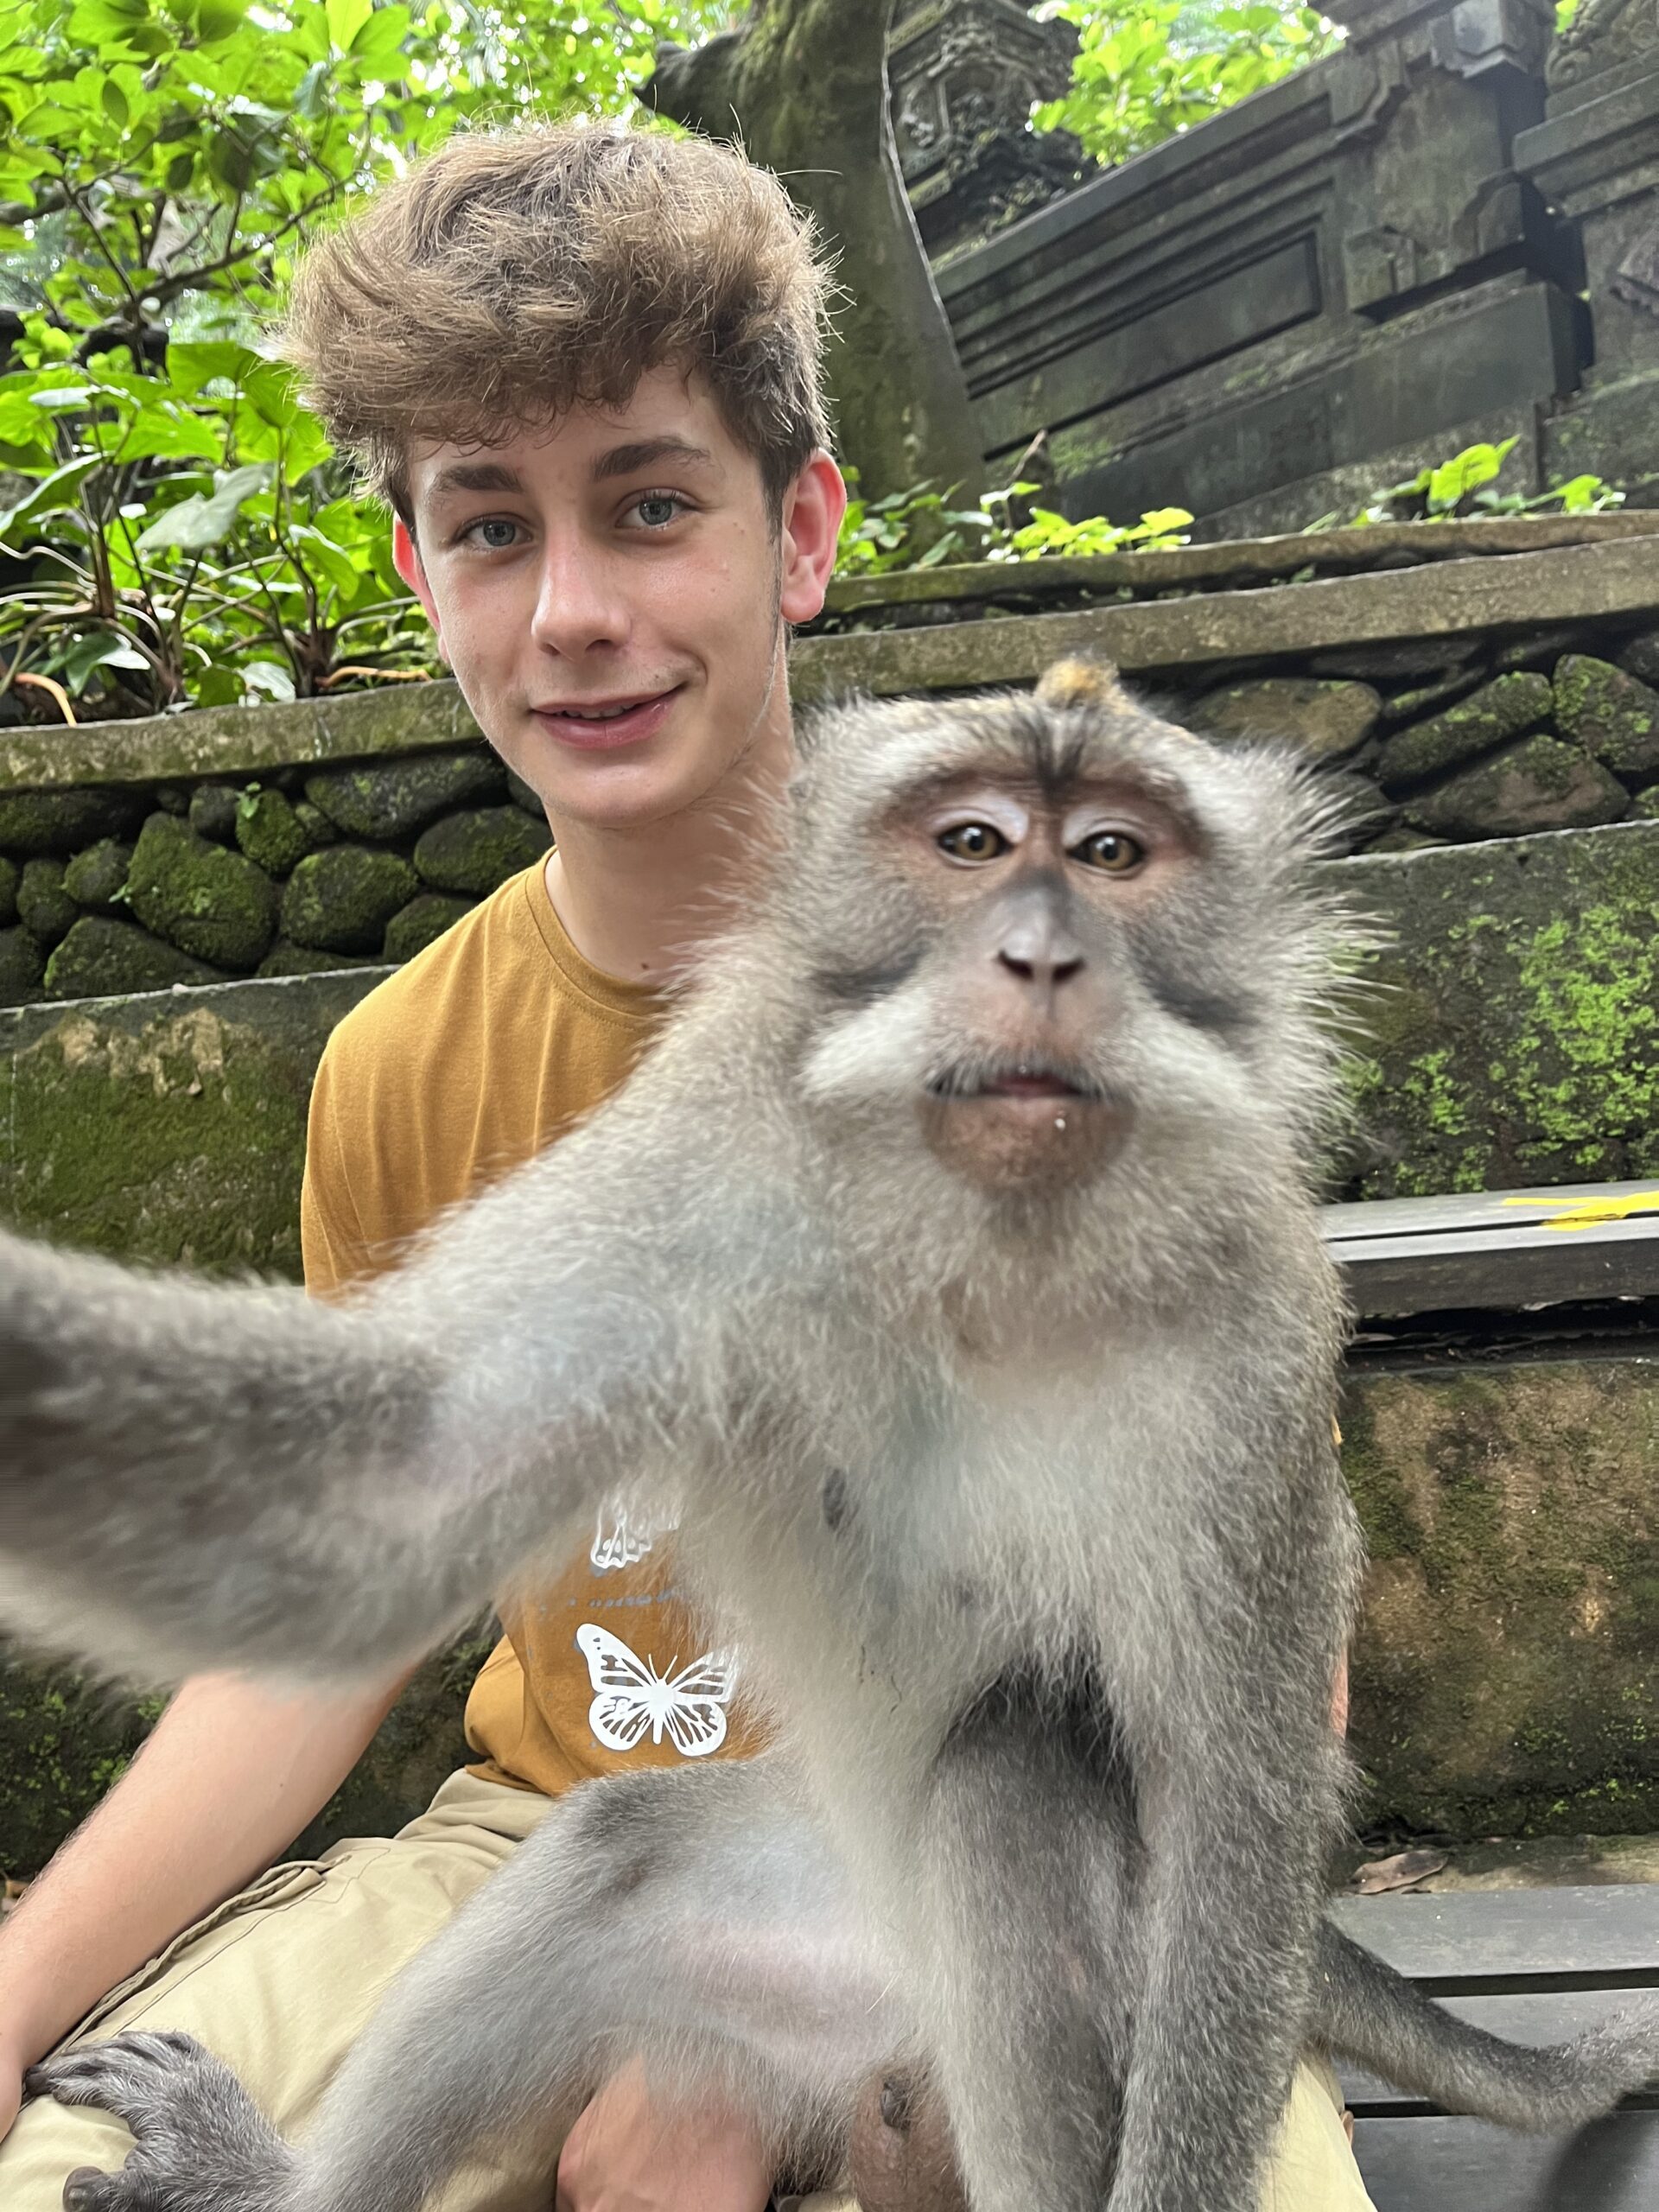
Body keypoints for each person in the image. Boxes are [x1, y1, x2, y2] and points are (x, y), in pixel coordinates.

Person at [0, 122, 1376, 2212]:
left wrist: (808, 2036)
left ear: (798, 529)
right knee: (74, 2163)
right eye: (493, 526)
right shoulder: (421, 1061)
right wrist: (17, 1983)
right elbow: (349, 1540)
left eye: (650, 505)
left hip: (1031, 1858)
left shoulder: (1082, 1028)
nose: (575, 613)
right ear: (423, 576)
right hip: (557, 1838)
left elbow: (1246, 1711)